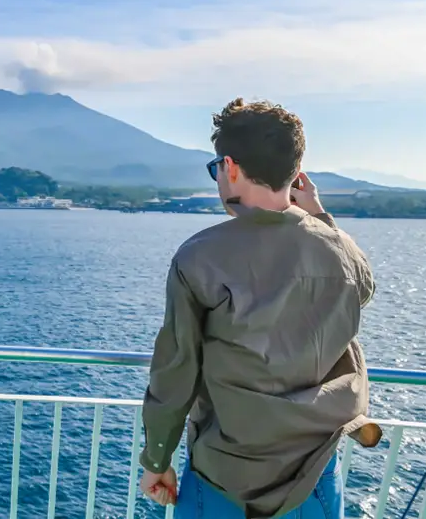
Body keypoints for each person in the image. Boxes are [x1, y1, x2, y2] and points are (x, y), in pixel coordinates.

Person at [138, 98, 381, 518]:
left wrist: (157, 461)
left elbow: (175, 372)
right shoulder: (339, 249)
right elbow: (363, 289)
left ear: (230, 167)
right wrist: (320, 217)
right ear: (296, 172)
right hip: (314, 477)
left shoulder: (200, 256)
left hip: (223, 479)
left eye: (216, 168)